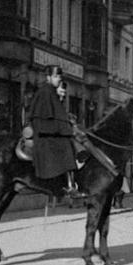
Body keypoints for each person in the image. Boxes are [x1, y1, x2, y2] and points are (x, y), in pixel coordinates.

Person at [27, 65, 81, 197]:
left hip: (50, 131)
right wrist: (64, 130)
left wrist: (67, 128)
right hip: (44, 134)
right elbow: (43, 120)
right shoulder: (45, 92)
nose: (58, 79)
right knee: (66, 146)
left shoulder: (51, 92)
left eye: (59, 77)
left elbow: (57, 118)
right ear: (48, 77)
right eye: (56, 77)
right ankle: (67, 185)